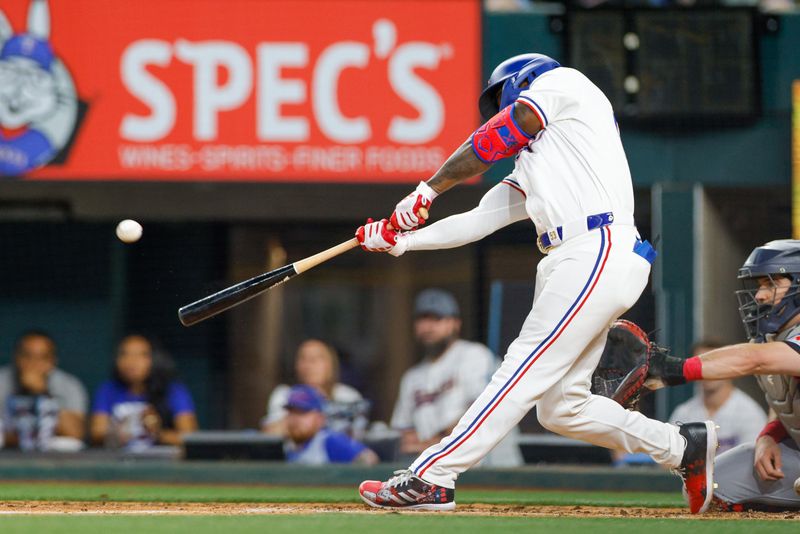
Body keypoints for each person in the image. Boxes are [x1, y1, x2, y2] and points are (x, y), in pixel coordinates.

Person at [355, 53, 716, 514]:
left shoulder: (566, 83)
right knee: (561, 408)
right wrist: (401, 242)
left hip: (596, 245)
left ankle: (433, 476)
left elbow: (505, 130)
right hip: (575, 257)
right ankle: (682, 446)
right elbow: (477, 220)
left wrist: (428, 189)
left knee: (521, 367)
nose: (501, 110)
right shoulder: (541, 162)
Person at [613, 240, 800, 511]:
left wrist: (674, 369)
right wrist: (769, 435)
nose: (759, 295)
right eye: (760, 285)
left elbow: (755, 360)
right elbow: (784, 399)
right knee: (715, 487)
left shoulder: (769, 348)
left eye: (772, 284)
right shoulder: (775, 338)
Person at [391, 289, 522, 466]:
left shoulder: (474, 355)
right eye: (422, 319)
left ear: (455, 323)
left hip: (491, 467)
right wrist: (425, 443)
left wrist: (434, 442)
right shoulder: (412, 377)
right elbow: (404, 434)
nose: (428, 327)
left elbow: (482, 412)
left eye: (436, 319)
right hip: (440, 469)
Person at [89, 334, 197, 449]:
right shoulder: (108, 389)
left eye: (141, 355)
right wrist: (116, 434)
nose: (131, 361)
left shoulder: (173, 390)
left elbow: (190, 437)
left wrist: (158, 433)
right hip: (119, 461)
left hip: (161, 461)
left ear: (155, 359)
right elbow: (96, 433)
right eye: (124, 354)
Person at [668, 340, 767, 455]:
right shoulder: (684, 413)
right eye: (699, 365)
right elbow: (666, 462)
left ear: (730, 367)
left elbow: (753, 462)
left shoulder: (750, 413)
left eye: (714, 364)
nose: (706, 370)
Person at [0, 330, 87, 451]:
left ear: (53, 361)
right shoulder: (3, 381)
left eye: (42, 358)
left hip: (52, 460)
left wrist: (42, 392)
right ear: (16, 358)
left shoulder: (69, 385)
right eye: (27, 356)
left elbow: (75, 433)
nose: (34, 364)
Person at [262, 339, 367, 438]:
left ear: (331, 364)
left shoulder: (348, 395)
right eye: (303, 359)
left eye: (316, 359)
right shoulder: (284, 394)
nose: (309, 365)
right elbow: (271, 432)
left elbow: (357, 436)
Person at [283, 384, 379, 466]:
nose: (295, 419)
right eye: (291, 412)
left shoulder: (329, 440)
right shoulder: (286, 445)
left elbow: (370, 459)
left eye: (302, 413)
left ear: (320, 418)